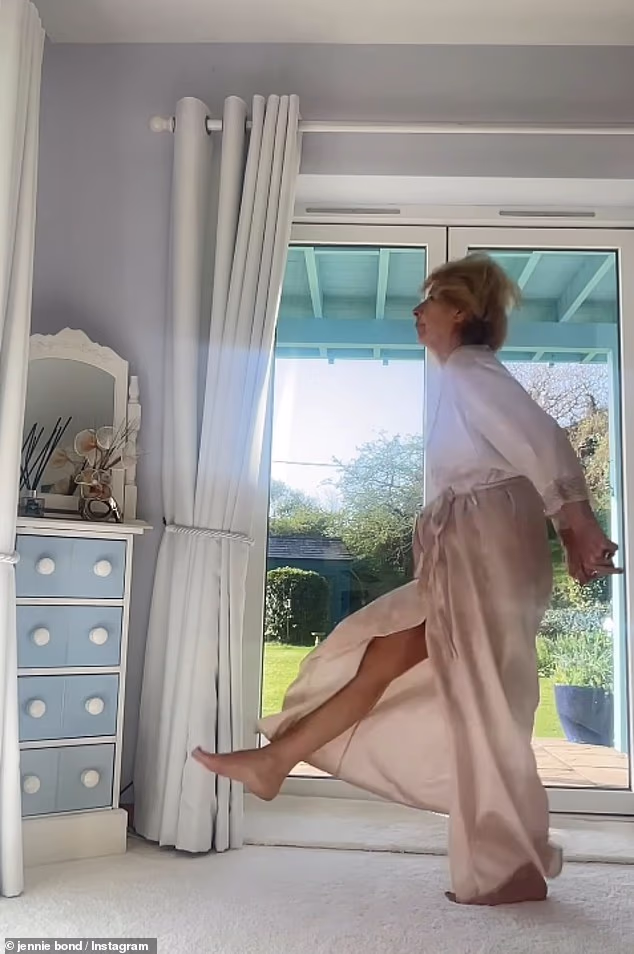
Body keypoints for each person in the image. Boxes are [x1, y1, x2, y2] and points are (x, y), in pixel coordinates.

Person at [193, 253, 620, 906]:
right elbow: (526, 454)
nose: (418, 312)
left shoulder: (471, 369)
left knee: (481, 700)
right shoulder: (460, 378)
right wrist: (565, 526)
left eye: (432, 300)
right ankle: (275, 761)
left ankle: (507, 868)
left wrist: (578, 524)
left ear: (463, 311)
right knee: (386, 654)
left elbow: (545, 441)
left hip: (486, 545)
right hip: (476, 542)